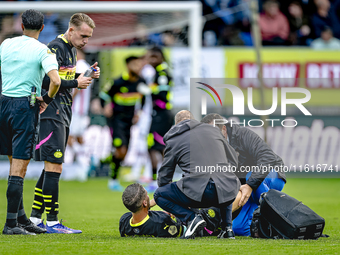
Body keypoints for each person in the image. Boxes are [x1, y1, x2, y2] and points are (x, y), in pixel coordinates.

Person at [29, 13, 100, 234]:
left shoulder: (70, 49)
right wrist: (76, 82)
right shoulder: (55, 47)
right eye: (83, 36)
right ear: (70, 30)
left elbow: (63, 76)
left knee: (50, 166)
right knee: (55, 166)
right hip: (51, 112)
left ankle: (33, 218)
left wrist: (83, 75)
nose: (86, 41)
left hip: (63, 112)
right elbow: (47, 80)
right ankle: (52, 221)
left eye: (89, 37)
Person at [0, 9, 61, 235]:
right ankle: (10, 225)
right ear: (42, 28)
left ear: (22, 25)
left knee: (13, 164)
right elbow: (55, 81)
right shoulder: (43, 50)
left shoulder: (6, 44)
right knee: (20, 167)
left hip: (4, 103)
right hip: (24, 107)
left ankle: (21, 218)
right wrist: (45, 99)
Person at [154, 110, 241, 239]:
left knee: (159, 194)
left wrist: (174, 201)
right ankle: (227, 229)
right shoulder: (214, 130)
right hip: (228, 190)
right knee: (224, 178)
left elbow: (164, 176)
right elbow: (234, 160)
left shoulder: (174, 139)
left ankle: (192, 218)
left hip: (200, 193)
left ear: (177, 124)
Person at [201, 113, 286, 236]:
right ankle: (263, 223)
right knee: (239, 229)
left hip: (272, 175)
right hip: (247, 187)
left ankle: (279, 213)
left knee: (249, 176)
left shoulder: (243, 135)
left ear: (224, 129)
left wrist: (250, 185)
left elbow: (268, 157)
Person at [101, 56, 145, 191]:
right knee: (121, 150)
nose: (137, 67)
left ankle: (112, 172)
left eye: (139, 65)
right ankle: (113, 180)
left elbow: (143, 99)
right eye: (134, 65)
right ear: (128, 66)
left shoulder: (141, 82)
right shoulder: (118, 81)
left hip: (129, 121)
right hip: (116, 119)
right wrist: (106, 107)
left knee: (123, 153)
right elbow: (103, 96)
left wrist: (139, 113)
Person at [120, 183, 223, 238]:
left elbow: (141, 215)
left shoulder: (124, 221)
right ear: (144, 203)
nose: (148, 196)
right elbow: (188, 229)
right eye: (147, 195)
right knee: (225, 200)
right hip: (201, 226)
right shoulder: (161, 222)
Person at [145, 46, 174, 193]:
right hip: (161, 114)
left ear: (160, 57)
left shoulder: (162, 73)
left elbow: (162, 92)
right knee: (160, 147)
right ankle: (163, 180)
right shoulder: (159, 72)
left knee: (155, 147)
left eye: (153, 57)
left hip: (161, 114)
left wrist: (149, 89)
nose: (150, 60)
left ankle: (157, 180)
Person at [67, 49, 93, 166]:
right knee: (78, 137)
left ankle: (84, 160)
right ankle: (88, 157)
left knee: (68, 136)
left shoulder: (80, 66)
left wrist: (69, 99)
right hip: (82, 108)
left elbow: (78, 86)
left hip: (76, 108)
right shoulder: (86, 66)